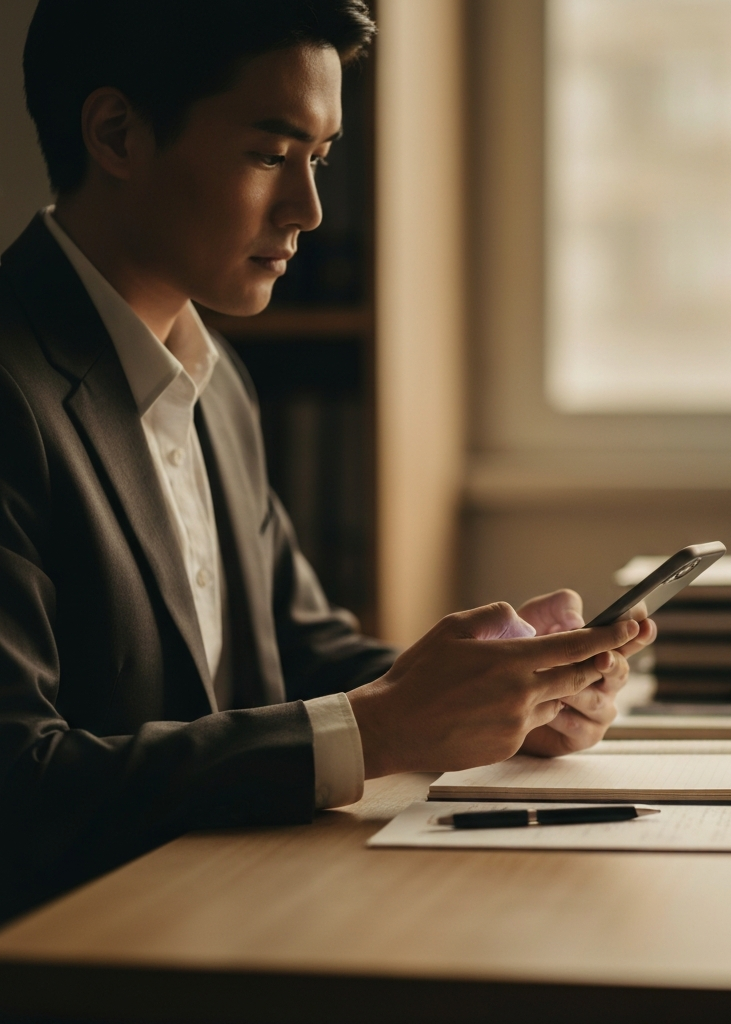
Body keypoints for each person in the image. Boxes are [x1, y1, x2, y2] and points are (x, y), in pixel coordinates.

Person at [0, 0, 655, 922]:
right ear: (116, 133)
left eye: (322, 160)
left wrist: (510, 690)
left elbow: (300, 653)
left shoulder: (213, 378)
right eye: (271, 155)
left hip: (222, 914)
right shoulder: (11, 390)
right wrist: (385, 728)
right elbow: (19, 784)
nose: (307, 210)